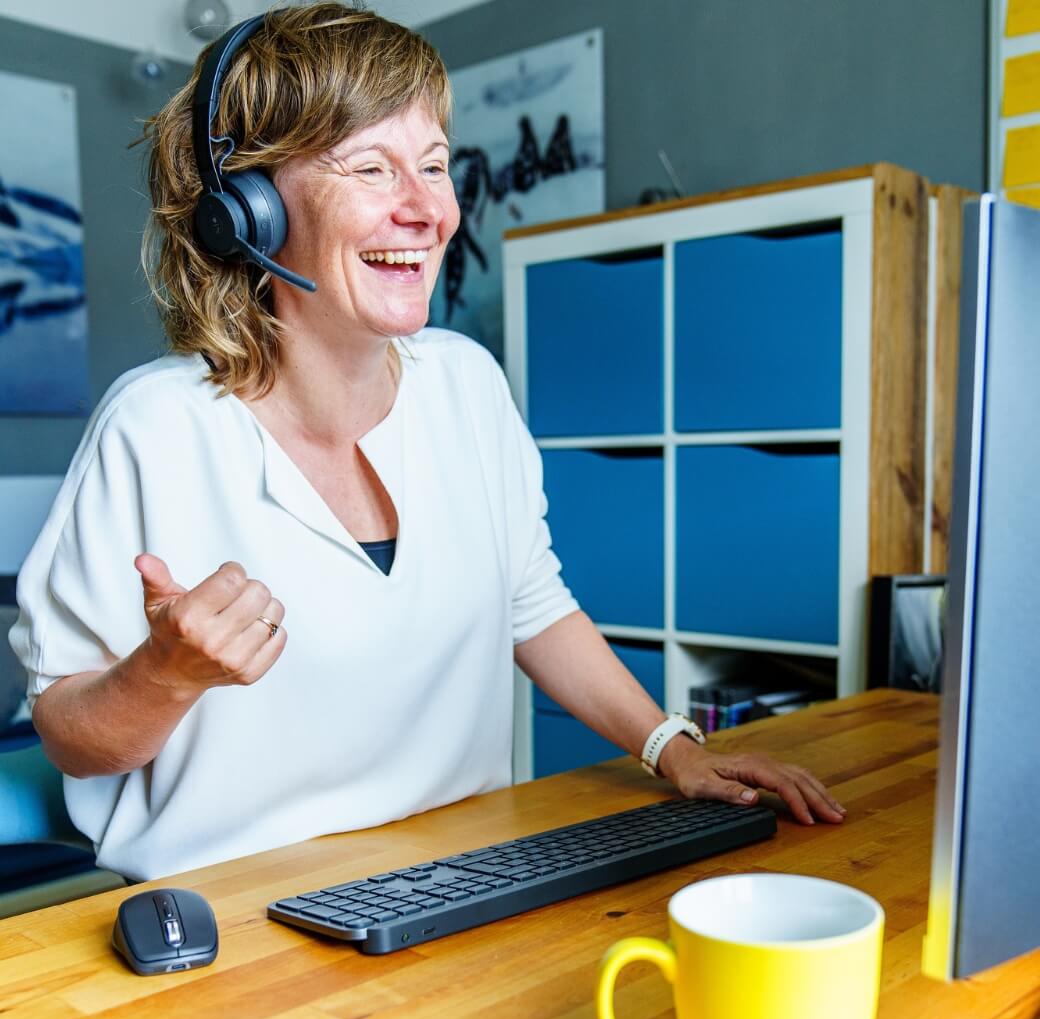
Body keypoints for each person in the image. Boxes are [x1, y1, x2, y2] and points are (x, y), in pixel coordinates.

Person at [9, 4, 844, 883]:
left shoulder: (467, 384)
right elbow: (72, 738)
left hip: (464, 883)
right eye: (372, 168)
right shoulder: (155, 428)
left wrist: (674, 748)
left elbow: (534, 605)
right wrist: (166, 674)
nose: (429, 211)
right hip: (228, 911)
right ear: (246, 209)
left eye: (437, 166)